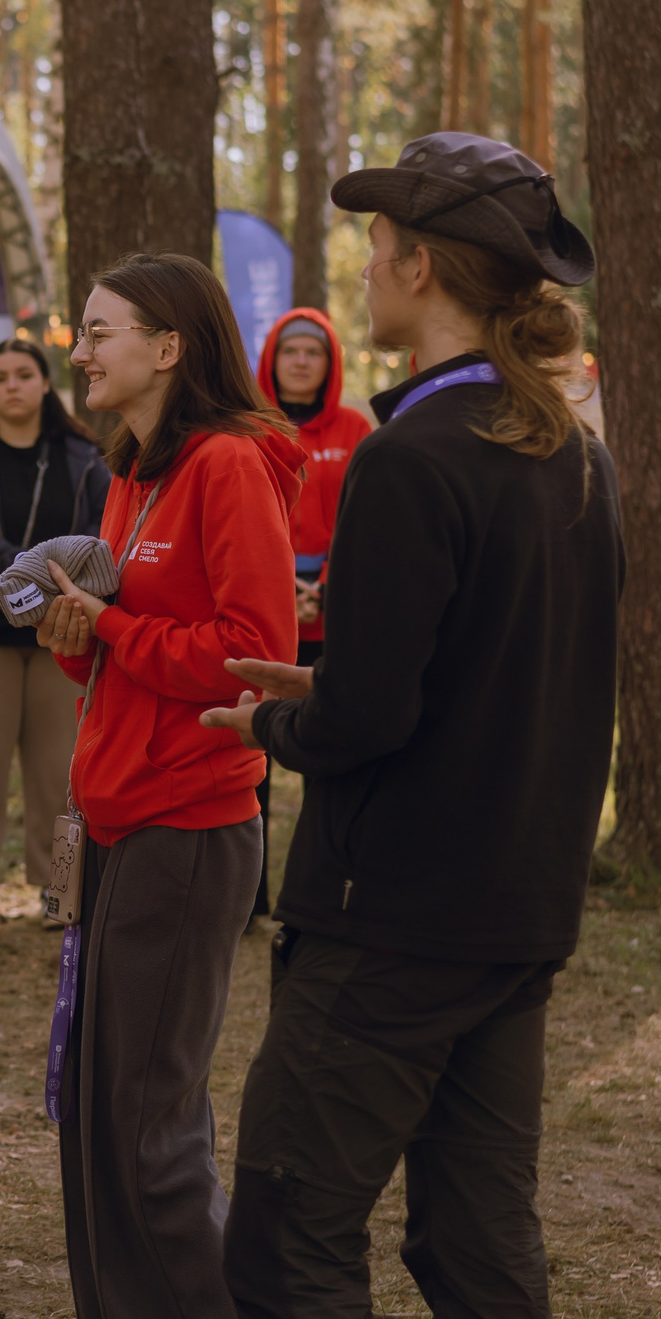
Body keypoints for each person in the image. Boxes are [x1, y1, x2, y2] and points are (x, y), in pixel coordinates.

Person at [203, 132, 621, 1319]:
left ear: (422, 266)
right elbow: (485, 675)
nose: (366, 269)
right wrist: (327, 670)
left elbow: (377, 722)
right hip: (513, 915)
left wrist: (279, 717)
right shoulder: (565, 453)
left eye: (378, 250)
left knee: (283, 1238)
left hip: (391, 930)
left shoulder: (409, 457)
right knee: (475, 1238)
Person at [30, 254, 299, 1319]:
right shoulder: (130, 476)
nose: (78, 352)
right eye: (78, 333)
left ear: (170, 346)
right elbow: (140, 658)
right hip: (123, 828)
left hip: (192, 834)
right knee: (94, 1116)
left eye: (98, 332)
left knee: (150, 1128)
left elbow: (252, 653)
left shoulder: (228, 467)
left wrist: (119, 627)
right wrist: (85, 640)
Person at [0, 337, 109, 935]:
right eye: (0, 376)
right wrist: (33, 572)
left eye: (23, 373)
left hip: (63, 634)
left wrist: (52, 590)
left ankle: (57, 888)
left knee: (60, 771)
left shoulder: (85, 455)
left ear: (44, 384)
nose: (11, 385)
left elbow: (98, 536)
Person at [246, 307, 373, 922]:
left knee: (331, 755)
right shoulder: (247, 428)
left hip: (337, 618)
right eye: (290, 350)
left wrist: (322, 586)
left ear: (330, 363)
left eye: (313, 352)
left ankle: (327, 893)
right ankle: (248, 898)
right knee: (254, 758)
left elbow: (366, 520)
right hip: (267, 620)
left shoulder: (355, 430)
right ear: (271, 358)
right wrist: (281, 587)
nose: (300, 361)